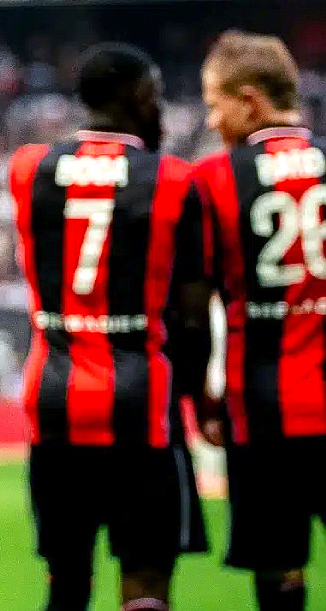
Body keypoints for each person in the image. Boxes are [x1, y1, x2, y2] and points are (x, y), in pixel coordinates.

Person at [8, 44, 211, 611]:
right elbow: (194, 313)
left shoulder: (28, 168)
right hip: (140, 402)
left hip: (53, 397)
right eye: (157, 96)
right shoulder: (174, 179)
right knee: (146, 584)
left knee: (67, 581)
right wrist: (196, 393)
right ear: (140, 98)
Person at [194, 30, 326, 611]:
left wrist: (202, 393)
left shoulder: (213, 180)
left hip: (262, 411)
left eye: (215, 104)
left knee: (279, 573)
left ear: (250, 101)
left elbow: (192, 308)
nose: (211, 120)